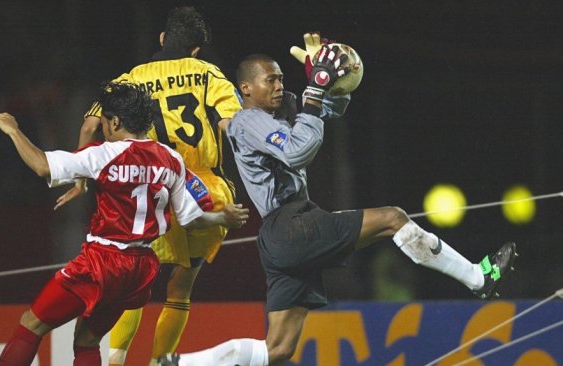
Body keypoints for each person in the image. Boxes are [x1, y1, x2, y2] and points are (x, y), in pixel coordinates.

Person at [157, 42, 518, 366]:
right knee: (393, 218)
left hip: (284, 235)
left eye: (282, 78)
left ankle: (178, 364)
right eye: (271, 80)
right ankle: (477, 278)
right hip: (292, 224)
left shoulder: (280, 110)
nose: (280, 85)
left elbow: (331, 111)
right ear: (246, 88)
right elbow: (299, 150)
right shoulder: (246, 120)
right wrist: (314, 91)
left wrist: (330, 77)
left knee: (279, 349)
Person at [0, 82, 248, 365]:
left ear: (114, 121)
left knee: (31, 324)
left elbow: (42, 166)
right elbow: (191, 219)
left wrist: (14, 130)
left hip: (102, 261)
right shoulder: (170, 158)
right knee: (87, 340)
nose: (102, 128)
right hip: (141, 268)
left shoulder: (104, 153)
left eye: (103, 122)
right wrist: (223, 217)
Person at [54, 6, 244, 365]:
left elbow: (91, 127)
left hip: (155, 187)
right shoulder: (208, 74)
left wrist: (82, 179)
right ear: (196, 50)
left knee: (135, 285)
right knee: (181, 288)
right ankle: (161, 362)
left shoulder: (130, 79)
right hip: (208, 192)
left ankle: (116, 359)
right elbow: (230, 125)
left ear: (161, 39)